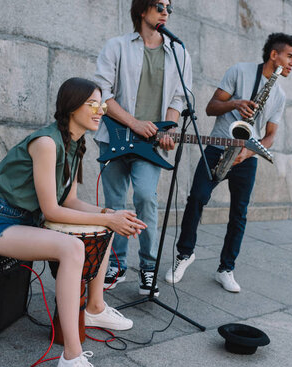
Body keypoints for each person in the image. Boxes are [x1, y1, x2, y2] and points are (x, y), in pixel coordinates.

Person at [0, 77, 147, 367]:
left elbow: (69, 201)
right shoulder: (47, 143)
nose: (101, 110)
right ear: (71, 105)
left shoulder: (75, 144)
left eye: (103, 105)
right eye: (94, 104)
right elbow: (52, 210)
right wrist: (106, 216)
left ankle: (95, 307)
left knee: (104, 224)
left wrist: (108, 215)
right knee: (71, 249)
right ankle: (71, 357)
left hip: (27, 221)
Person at [167, 33, 292, 292]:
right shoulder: (239, 71)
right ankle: (184, 255)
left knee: (239, 214)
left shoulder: (279, 95)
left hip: (245, 156)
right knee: (196, 198)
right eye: (290, 56)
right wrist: (235, 103)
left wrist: (249, 153)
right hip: (217, 148)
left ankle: (226, 269)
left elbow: (270, 136)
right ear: (275, 55)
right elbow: (210, 107)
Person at [93, 0, 191, 296]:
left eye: (169, 7)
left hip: (151, 145)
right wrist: (134, 123)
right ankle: (116, 264)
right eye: (160, 5)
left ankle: (148, 268)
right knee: (115, 204)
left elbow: (178, 98)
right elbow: (102, 94)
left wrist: (170, 128)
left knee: (147, 199)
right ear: (141, 9)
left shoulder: (179, 53)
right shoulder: (117, 46)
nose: (166, 12)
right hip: (114, 139)